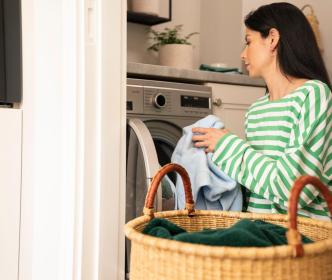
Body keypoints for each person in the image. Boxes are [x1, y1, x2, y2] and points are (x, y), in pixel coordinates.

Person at [192, 2, 332, 220]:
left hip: (304, 239)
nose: (242, 54)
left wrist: (227, 146)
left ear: (273, 39)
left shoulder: (314, 95)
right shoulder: (256, 110)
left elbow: (295, 189)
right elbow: (255, 188)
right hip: (260, 236)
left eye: (248, 42)